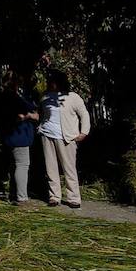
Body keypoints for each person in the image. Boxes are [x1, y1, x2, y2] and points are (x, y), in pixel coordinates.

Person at [38, 69, 92, 208]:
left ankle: (74, 198)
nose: (50, 83)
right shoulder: (45, 96)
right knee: (50, 168)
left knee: (69, 168)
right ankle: (54, 196)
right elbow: (41, 113)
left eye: (52, 81)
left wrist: (84, 132)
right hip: (47, 135)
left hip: (66, 137)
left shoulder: (72, 97)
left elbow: (84, 115)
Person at [0, 69, 39, 205]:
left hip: (9, 136)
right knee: (22, 165)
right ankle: (22, 197)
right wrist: (30, 115)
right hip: (19, 137)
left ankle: (13, 194)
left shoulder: (2, 97)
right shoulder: (14, 98)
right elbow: (30, 109)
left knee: (14, 166)